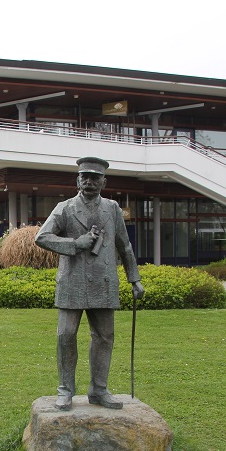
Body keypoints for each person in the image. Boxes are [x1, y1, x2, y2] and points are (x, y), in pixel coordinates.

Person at [35, 157, 145, 411]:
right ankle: (65, 390)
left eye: (95, 178)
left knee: (105, 337)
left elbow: (124, 245)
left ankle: (99, 389)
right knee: (65, 336)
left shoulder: (113, 208)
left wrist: (134, 278)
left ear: (104, 182)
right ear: (77, 180)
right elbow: (42, 237)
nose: (89, 182)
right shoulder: (65, 207)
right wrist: (74, 244)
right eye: (85, 177)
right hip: (72, 282)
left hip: (104, 282)